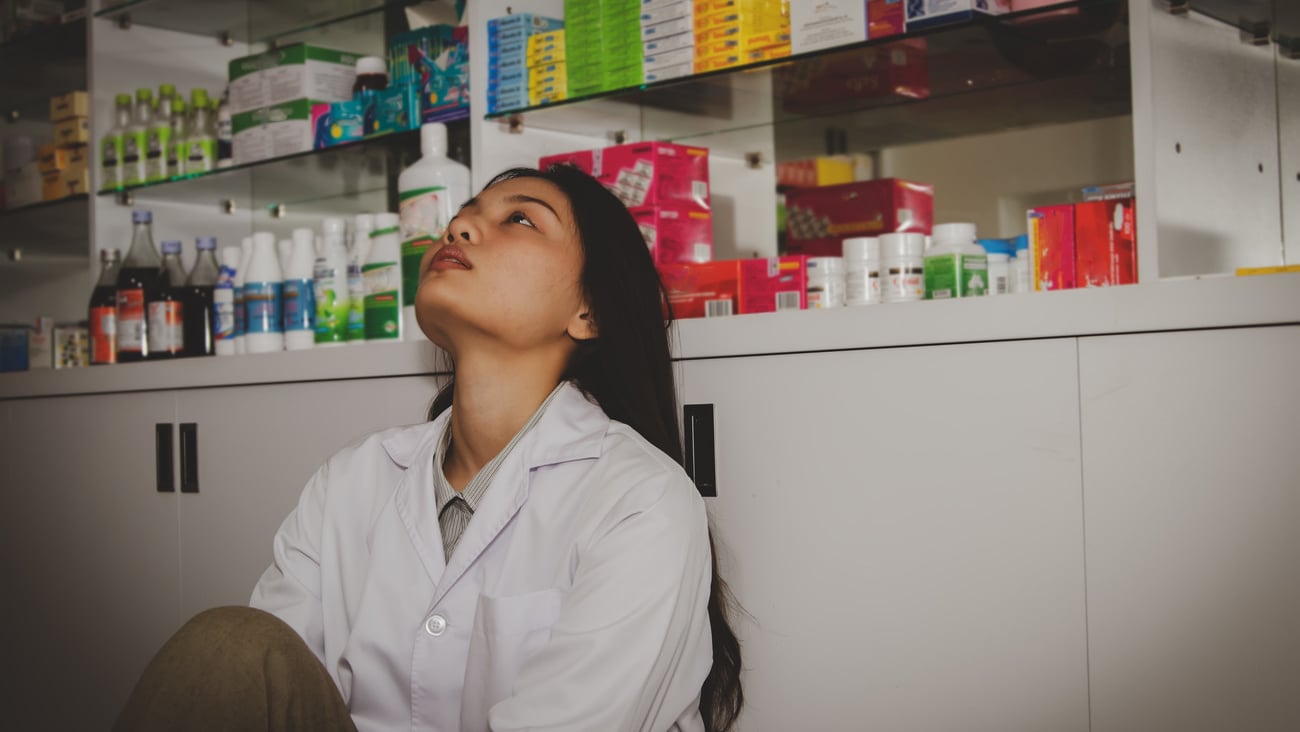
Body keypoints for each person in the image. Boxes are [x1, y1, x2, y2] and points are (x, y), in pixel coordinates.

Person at [113, 166, 743, 732]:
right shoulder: (352, 480)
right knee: (234, 649)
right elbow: (268, 691)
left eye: (518, 219)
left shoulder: (639, 500)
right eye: (463, 213)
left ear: (589, 312)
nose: (462, 225)